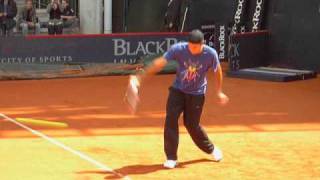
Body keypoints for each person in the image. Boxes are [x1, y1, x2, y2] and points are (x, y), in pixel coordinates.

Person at [134, 29, 229, 169]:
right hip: (177, 90)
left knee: (192, 125)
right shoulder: (178, 49)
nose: (193, 49)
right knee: (171, 119)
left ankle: (211, 149)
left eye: (196, 47)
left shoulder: (210, 54)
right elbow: (159, 63)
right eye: (190, 46)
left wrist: (219, 91)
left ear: (202, 44)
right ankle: (171, 157)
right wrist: (140, 78)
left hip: (197, 94)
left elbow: (217, 71)